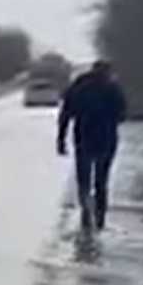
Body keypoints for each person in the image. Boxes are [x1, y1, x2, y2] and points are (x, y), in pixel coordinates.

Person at [57, 60, 128, 231]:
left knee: (84, 177)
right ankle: (100, 214)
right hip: (106, 138)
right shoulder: (113, 88)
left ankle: (86, 208)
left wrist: (61, 139)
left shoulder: (79, 87)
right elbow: (122, 115)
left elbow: (66, 114)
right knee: (101, 179)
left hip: (84, 137)